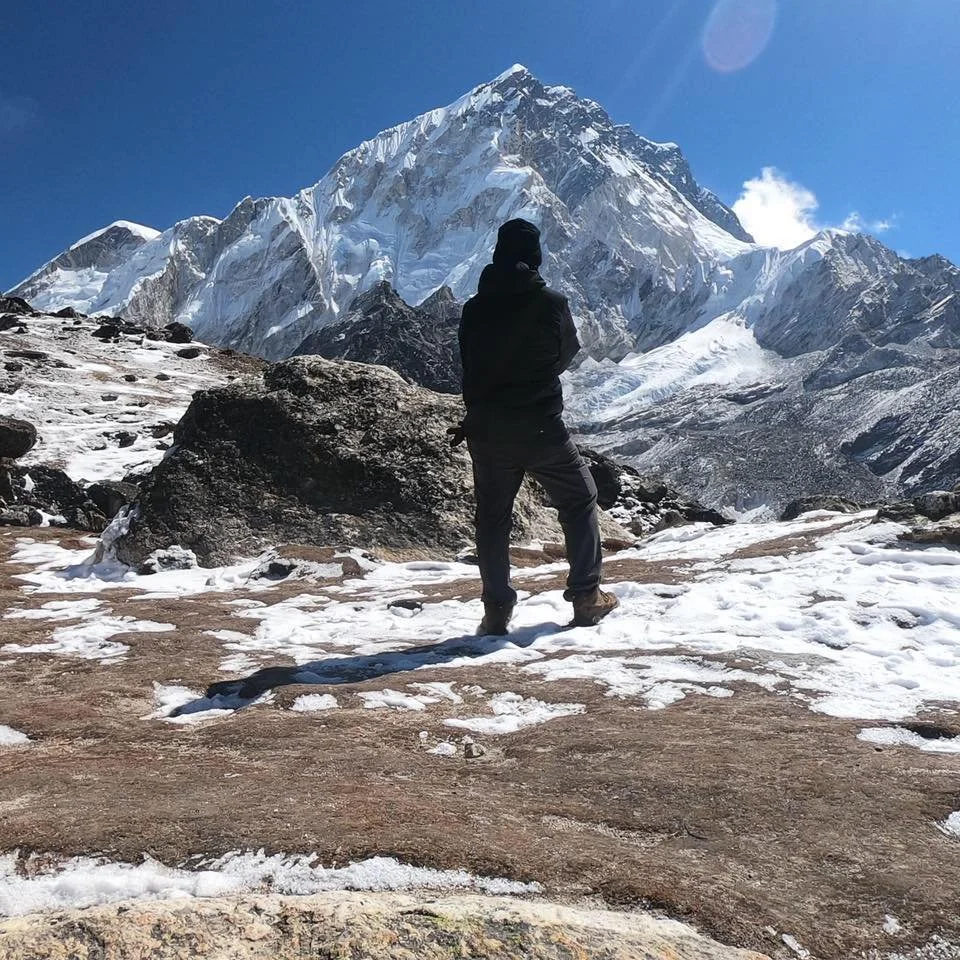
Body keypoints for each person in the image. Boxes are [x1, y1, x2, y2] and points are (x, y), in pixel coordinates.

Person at [454, 218, 619, 635]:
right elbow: (568, 352)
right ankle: (586, 597)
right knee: (580, 498)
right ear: (535, 258)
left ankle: (496, 612)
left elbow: (468, 364)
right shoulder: (551, 303)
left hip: (487, 430)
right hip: (540, 427)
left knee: (492, 519)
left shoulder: (473, 309)